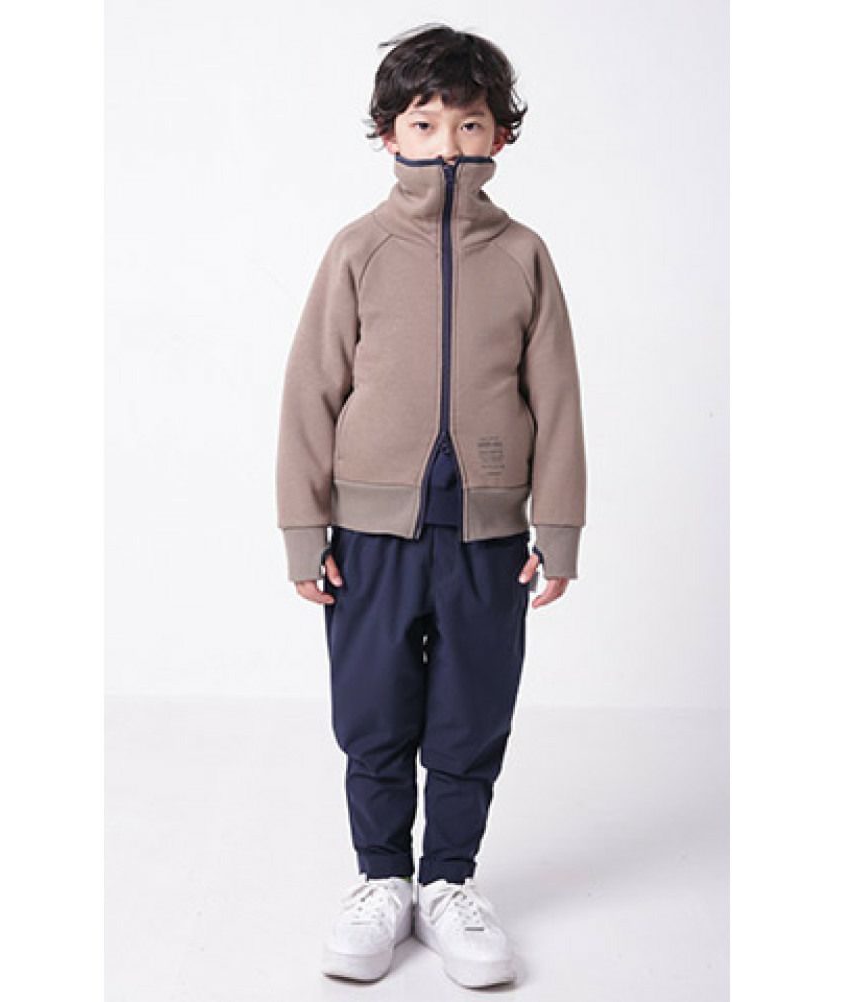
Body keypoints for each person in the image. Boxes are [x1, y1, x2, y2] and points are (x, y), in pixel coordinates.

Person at [275, 23, 587, 989]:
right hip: (370, 538)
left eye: (469, 123)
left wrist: (559, 527)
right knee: (373, 712)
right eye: (423, 123)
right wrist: (303, 531)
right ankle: (382, 879)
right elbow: (310, 392)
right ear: (388, 134)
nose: (447, 144)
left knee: (471, 713)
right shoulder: (358, 250)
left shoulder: (524, 255)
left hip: (489, 537)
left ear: (501, 135)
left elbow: (558, 398)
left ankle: (448, 880)